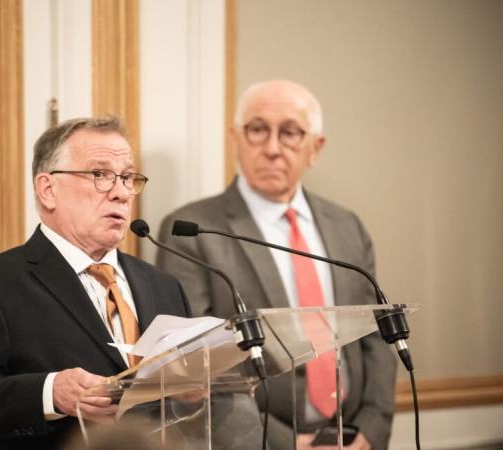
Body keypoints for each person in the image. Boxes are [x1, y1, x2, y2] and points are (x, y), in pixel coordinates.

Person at [157, 80, 397, 450]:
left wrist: (371, 429)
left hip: (355, 438)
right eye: (257, 130)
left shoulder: (347, 226)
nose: (271, 148)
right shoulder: (191, 232)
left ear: (315, 148)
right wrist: (286, 443)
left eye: (289, 133)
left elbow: (377, 337)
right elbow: (196, 365)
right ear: (236, 139)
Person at [0, 116, 191, 450]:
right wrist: (49, 393)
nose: (122, 193)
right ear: (47, 189)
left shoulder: (163, 285)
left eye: (127, 177)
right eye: (100, 175)